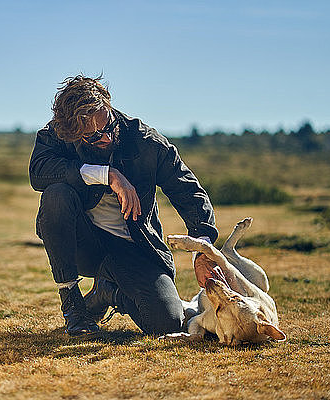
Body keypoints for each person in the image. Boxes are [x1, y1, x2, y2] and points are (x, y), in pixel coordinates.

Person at [29, 75, 219, 337]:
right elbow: (39, 171)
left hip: (135, 248)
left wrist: (202, 250)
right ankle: (73, 304)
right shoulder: (59, 134)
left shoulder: (146, 142)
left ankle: (108, 292)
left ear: (108, 105)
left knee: (167, 323)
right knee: (56, 195)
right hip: (84, 245)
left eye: (106, 126)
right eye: (91, 137)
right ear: (74, 133)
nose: (104, 138)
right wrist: (108, 175)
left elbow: (188, 191)